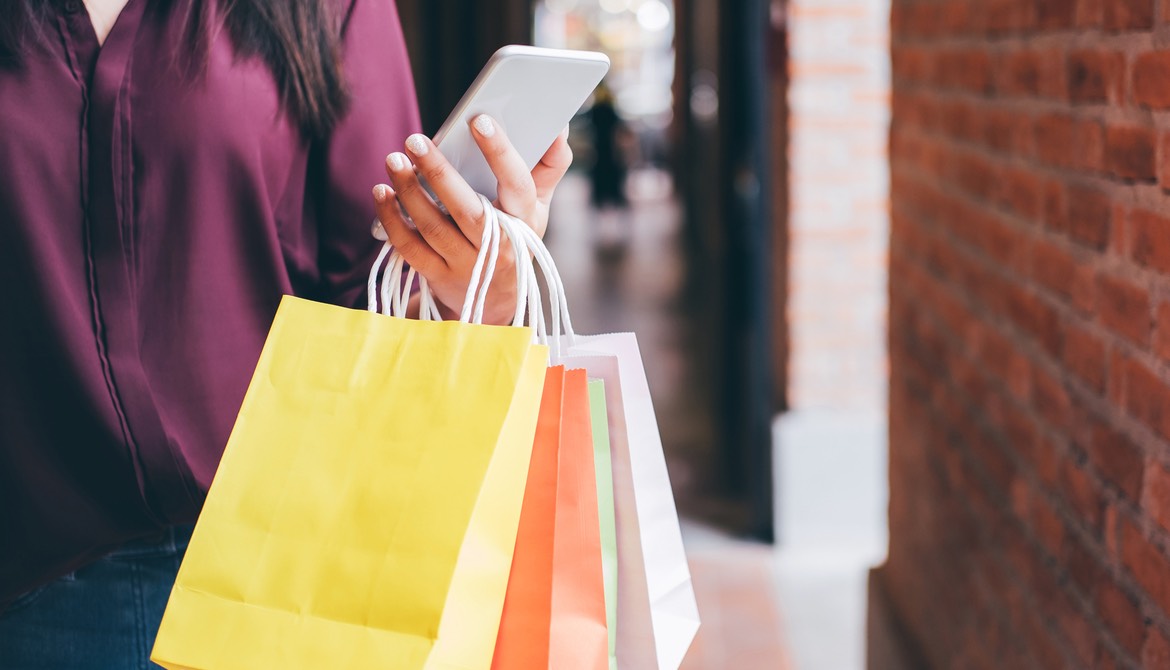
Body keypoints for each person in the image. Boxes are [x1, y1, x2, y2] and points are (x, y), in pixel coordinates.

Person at [0, 0, 572, 666]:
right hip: (27, 580)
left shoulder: (331, 10)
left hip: (285, 573)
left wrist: (473, 290)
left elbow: (375, 282)